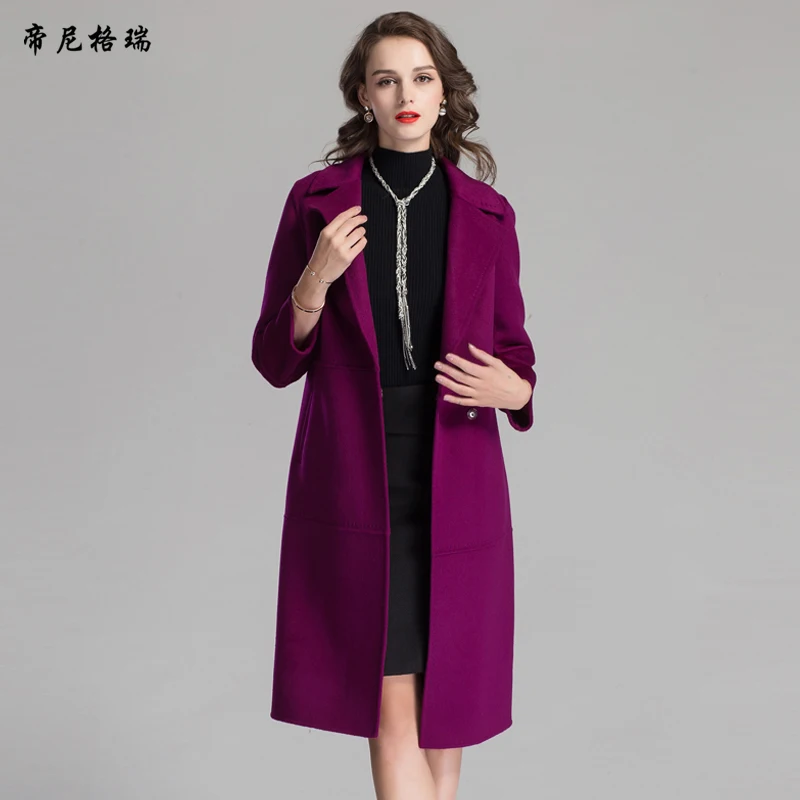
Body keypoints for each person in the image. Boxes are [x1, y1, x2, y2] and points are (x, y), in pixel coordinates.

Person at [251, 11, 537, 800]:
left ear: (444, 93)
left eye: (421, 77)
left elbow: (516, 356)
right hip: (357, 469)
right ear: (362, 96)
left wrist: (514, 391)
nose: (405, 94)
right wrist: (315, 280)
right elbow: (274, 359)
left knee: (448, 702)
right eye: (386, 80)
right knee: (392, 694)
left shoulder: (488, 214)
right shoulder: (316, 204)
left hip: (459, 470)